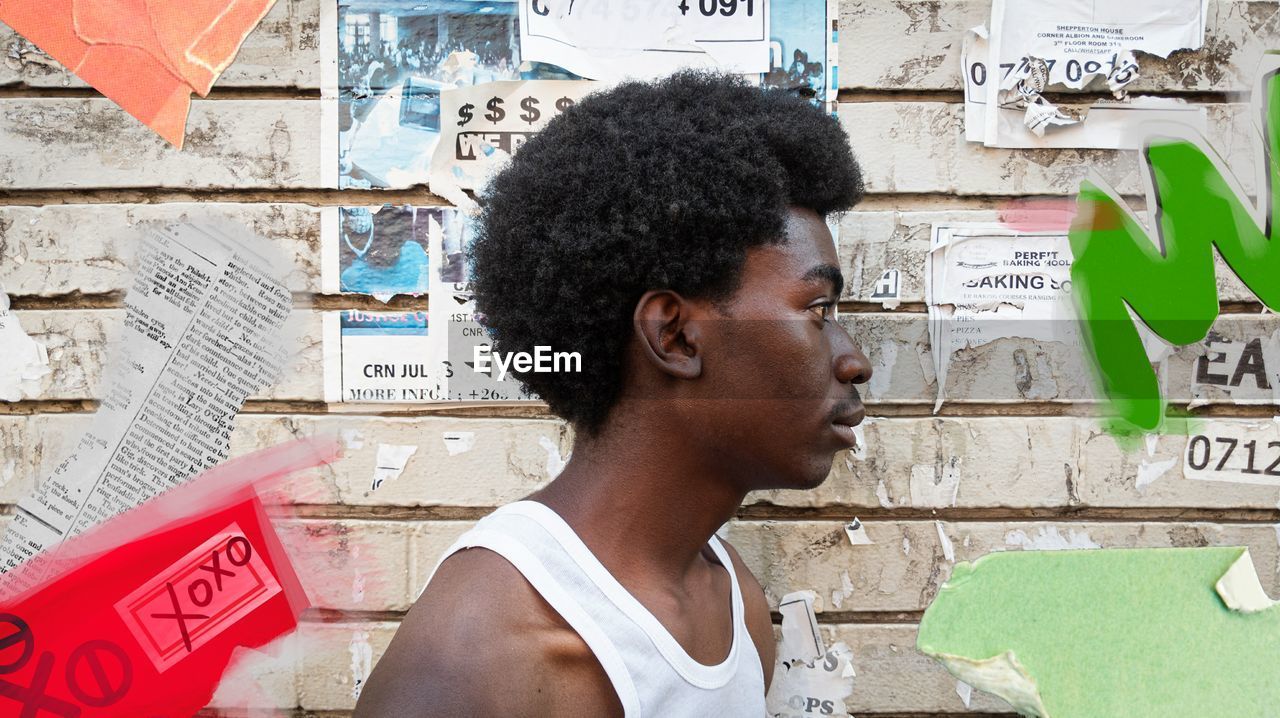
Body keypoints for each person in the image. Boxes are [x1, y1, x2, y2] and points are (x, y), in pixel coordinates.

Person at [354, 71, 871, 717]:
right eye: (818, 310)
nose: (854, 362)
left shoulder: (733, 602)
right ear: (677, 336)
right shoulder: (485, 655)